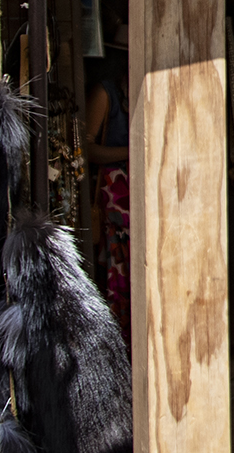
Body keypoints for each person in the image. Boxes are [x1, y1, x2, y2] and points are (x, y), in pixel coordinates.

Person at [84, 47, 131, 340]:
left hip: (140, 194)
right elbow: (87, 147)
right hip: (117, 197)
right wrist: (133, 151)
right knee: (119, 272)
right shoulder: (106, 93)